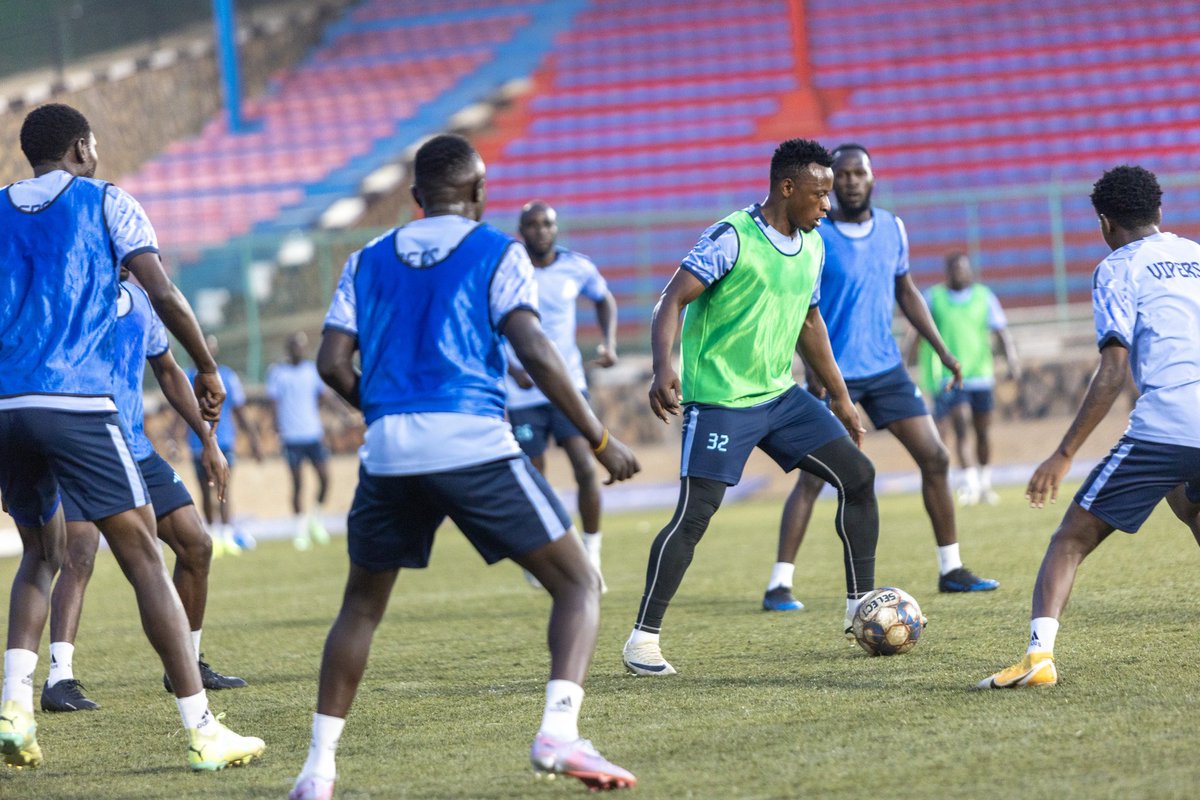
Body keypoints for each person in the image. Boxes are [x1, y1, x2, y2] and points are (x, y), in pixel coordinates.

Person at [289, 134, 640, 800]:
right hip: (472, 441)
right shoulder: (498, 251)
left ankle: (317, 771)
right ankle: (559, 734)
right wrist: (599, 438)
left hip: (389, 451)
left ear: (416, 197)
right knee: (578, 583)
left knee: (360, 608)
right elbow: (534, 348)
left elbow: (332, 363)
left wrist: (387, 410)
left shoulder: (366, 257)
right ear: (479, 192)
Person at [0, 103, 262, 770]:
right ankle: (202, 729)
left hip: (7, 406)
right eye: (92, 145)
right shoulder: (108, 201)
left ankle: (14, 708)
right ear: (81, 149)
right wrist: (207, 365)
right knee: (144, 554)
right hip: (76, 402)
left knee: (40, 555)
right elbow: (164, 292)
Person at [622, 138, 881, 678]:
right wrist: (662, 367)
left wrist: (839, 396)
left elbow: (810, 321)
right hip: (720, 402)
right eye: (819, 194)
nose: (828, 204)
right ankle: (642, 640)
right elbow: (671, 299)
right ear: (787, 188)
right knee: (695, 515)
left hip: (780, 397)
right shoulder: (731, 237)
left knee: (858, 476)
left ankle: (860, 605)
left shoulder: (814, 246)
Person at [978, 166, 1200, 689]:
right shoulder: (1194, 255)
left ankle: (1038, 657)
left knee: (1070, 539)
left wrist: (1063, 453)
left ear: (1104, 223)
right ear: (1159, 211)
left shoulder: (1116, 269)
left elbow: (1113, 372)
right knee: (1191, 507)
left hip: (1168, 424)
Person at [759, 143, 997, 614]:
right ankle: (779, 584)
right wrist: (812, 370)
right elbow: (799, 310)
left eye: (859, 173)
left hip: (886, 370)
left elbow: (905, 291)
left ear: (871, 178)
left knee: (936, 457)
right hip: (834, 375)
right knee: (814, 479)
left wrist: (942, 350)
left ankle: (951, 568)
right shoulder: (815, 233)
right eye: (843, 174)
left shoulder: (893, 228)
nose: (851, 181)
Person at [43, 275, 248, 715]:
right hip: (83, 450)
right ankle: (59, 678)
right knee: (79, 553)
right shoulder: (70, 298)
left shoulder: (140, 302)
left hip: (137, 450)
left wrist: (208, 439)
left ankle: (185, 666)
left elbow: (169, 371)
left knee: (196, 544)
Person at [506, 200, 618, 589]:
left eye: (547, 224)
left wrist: (608, 343)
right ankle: (540, 554)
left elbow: (604, 298)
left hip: (567, 385)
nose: (540, 230)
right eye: (532, 224)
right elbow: (486, 321)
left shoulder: (577, 266)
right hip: (522, 392)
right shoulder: (508, 270)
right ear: (521, 230)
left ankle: (592, 555)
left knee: (585, 467)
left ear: (555, 229)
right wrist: (511, 368)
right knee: (534, 478)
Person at [917, 252, 1021, 506]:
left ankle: (984, 483)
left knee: (982, 432)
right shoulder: (934, 298)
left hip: (981, 375)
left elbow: (1001, 332)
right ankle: (969, 484)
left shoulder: (984, 297)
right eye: (955, 270)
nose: (960, 274)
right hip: (950, 376)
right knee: (961, 425)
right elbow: (917, 331)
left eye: (963, 269)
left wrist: (1011, 360)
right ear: (947, 272)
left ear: (970, 271)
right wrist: (907, 361)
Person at [180, 334, 262, 554]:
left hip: (223, 443)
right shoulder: (186, 377)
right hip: (197, 445)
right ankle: (213, 535)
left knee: (224, 489)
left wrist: (254, 439)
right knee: (205, 493)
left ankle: (225, 534)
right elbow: (180, 411)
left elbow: (240, 410)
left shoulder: (227, 376)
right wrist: (174, 436)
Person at [266, 331, 335, 550]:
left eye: (303, 346)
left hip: (313, 434)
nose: (300, 350)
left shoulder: (311, 371)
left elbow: (325, 396)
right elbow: (273, 403)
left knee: (325, 478)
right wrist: (276, 428)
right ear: (289, 349)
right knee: (298, 484)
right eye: (296, 346)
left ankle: (316, 517)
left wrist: (344, 414)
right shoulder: (278, 373)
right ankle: (300, 529)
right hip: (291, 437)